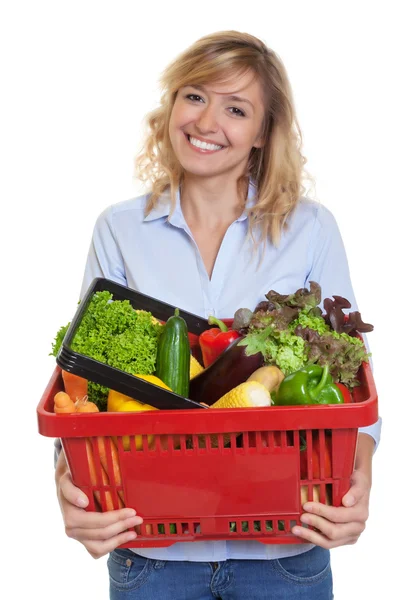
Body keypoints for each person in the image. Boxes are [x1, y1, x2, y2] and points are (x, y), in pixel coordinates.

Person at [55, 30, 381, 599]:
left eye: (236, 109)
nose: (208, 122)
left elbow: (353, 375)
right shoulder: (119, 229)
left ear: (261, 134)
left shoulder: (310, 228)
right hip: (152, 547)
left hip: (284, 545)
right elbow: (83, 380)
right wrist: (70, 483)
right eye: (196, 96)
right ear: (172, 105)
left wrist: (360, 482)